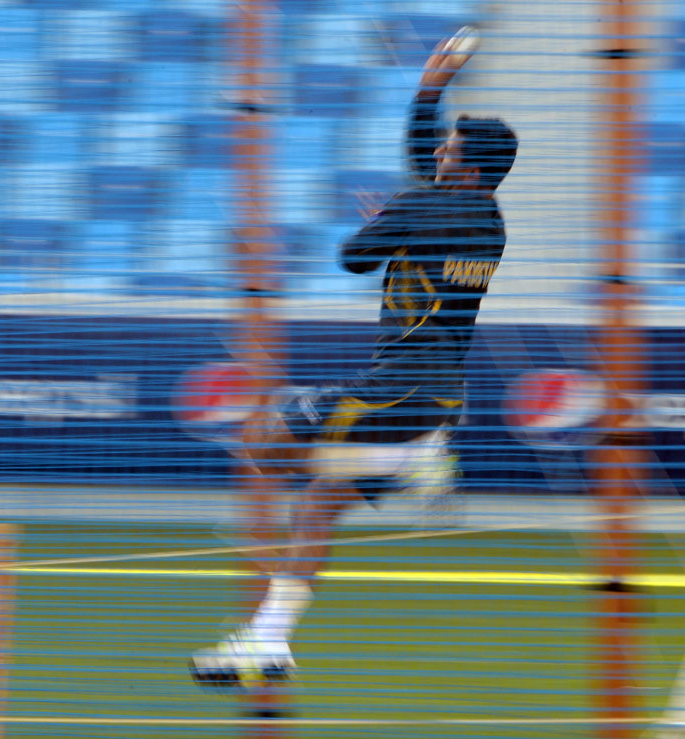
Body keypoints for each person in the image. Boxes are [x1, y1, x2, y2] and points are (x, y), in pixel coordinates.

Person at [190, 27, 518, 690]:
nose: (437, 150)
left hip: (398, 388)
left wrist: (390, 217)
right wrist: (430, 90)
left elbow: (353, 255)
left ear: (469, 169)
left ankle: (420, 455)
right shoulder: (486, 218)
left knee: (263, 435)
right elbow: (413, 182)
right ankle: (269, 637)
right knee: (316, 504)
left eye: (448, 149)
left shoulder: (426, 206)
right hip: (438, 398)